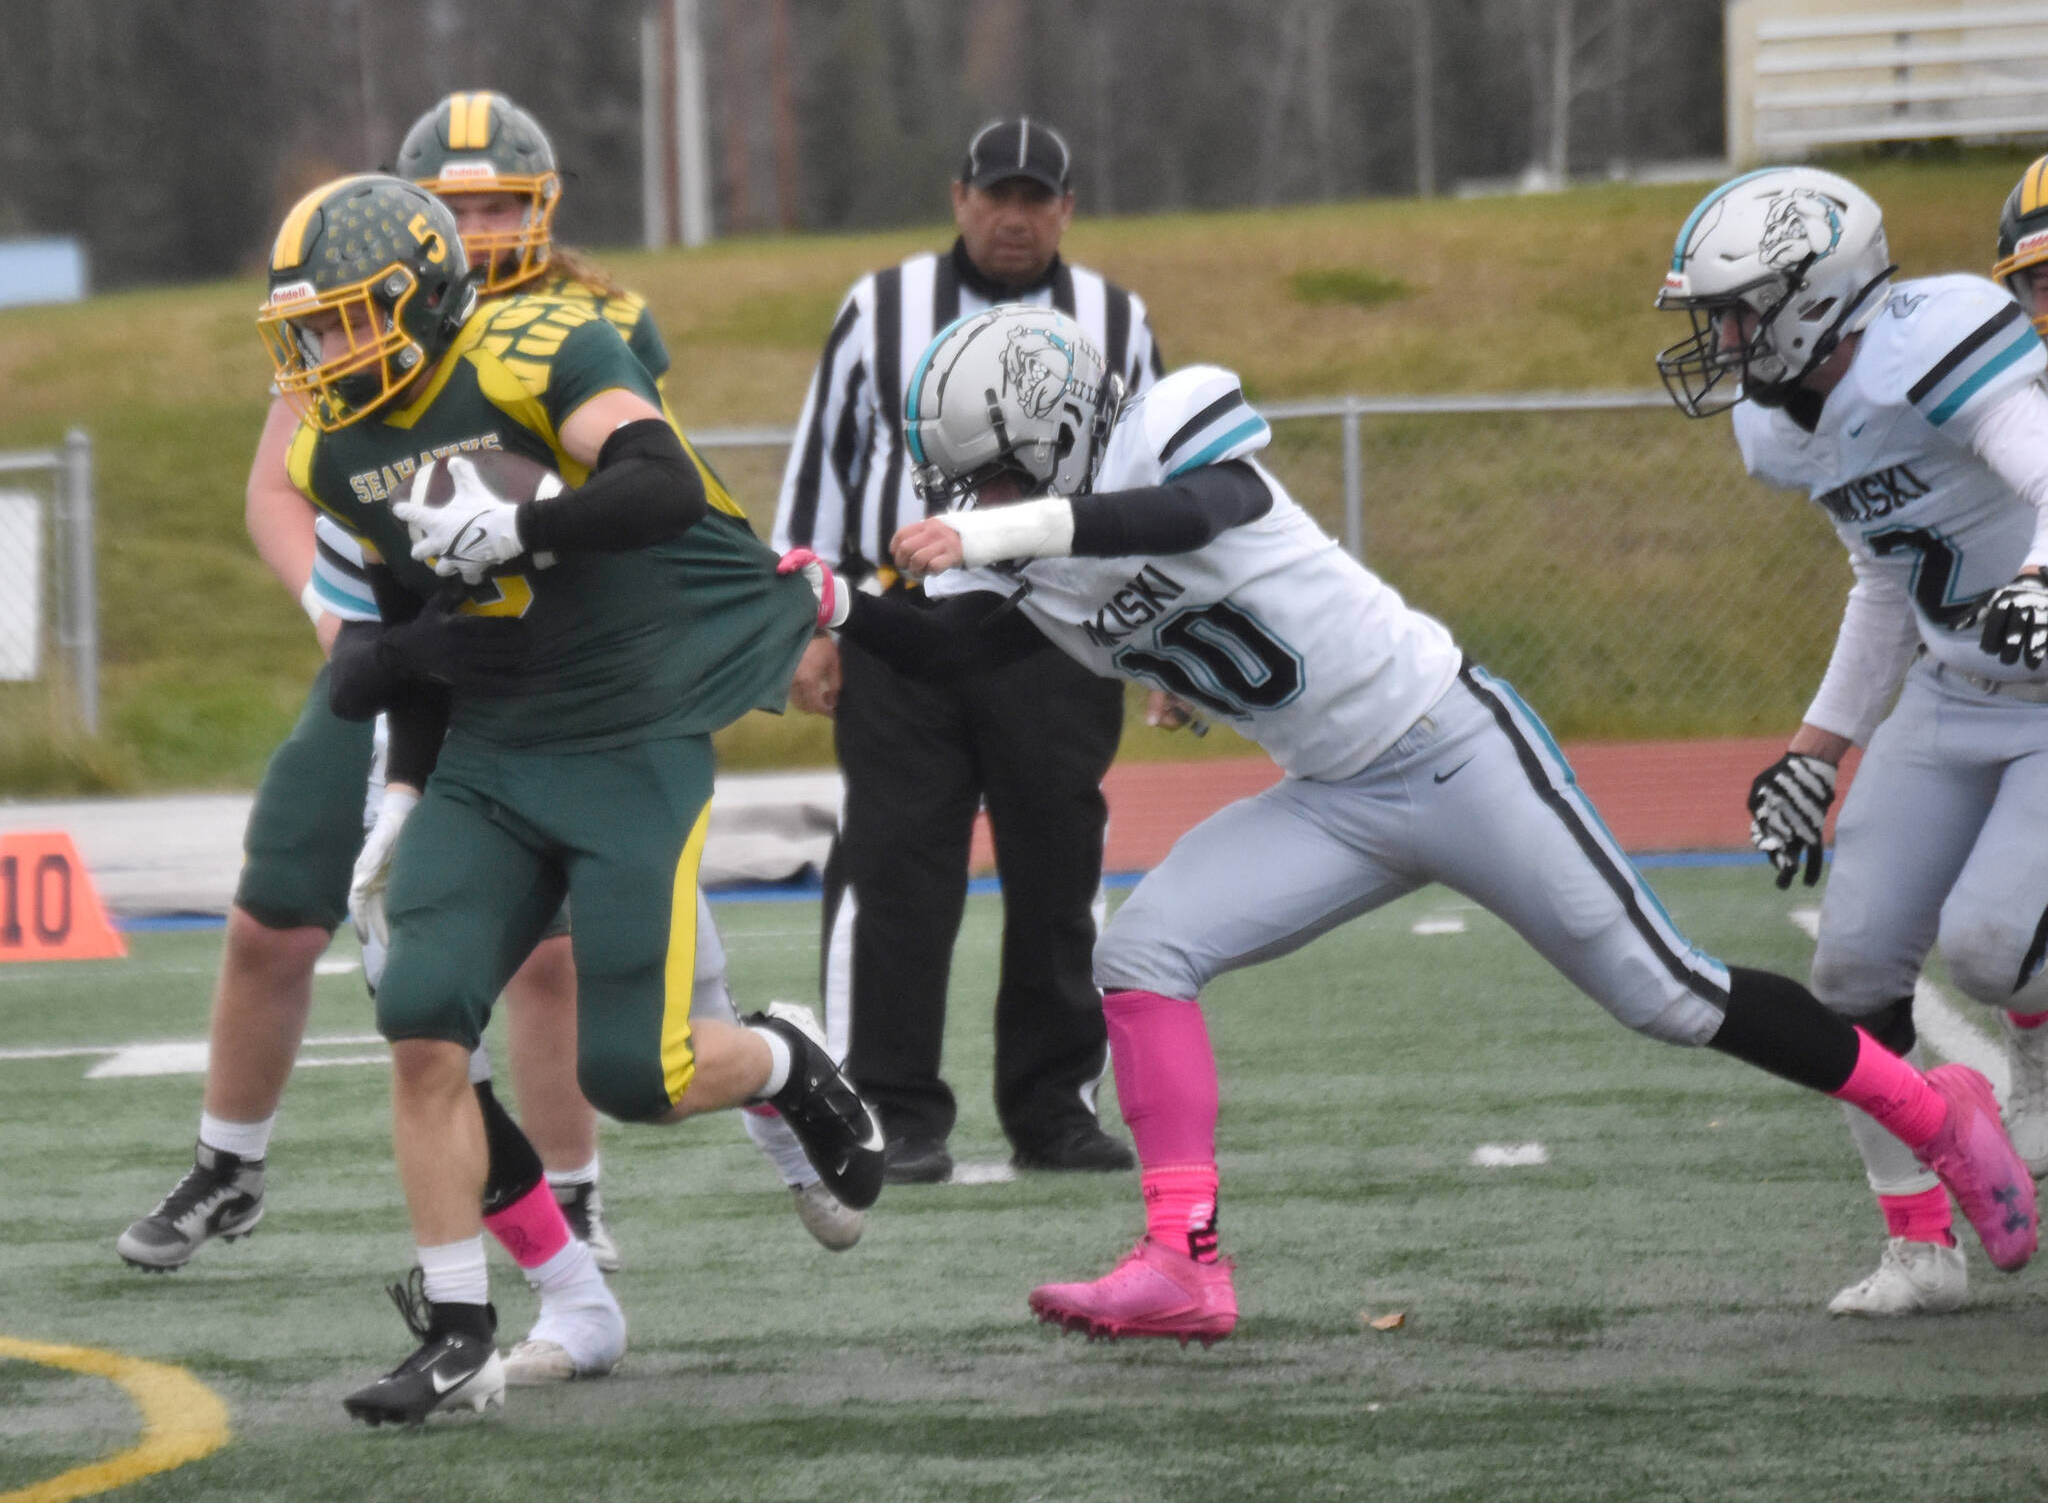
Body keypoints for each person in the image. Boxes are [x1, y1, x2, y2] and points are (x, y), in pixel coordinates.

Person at [775, 302, 2038, 1345]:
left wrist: (1008, 518)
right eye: (974, 484)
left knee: (1666, 993)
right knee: (1143, 949)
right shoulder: (1020, 534)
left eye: (995, 470)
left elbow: (1194, 511)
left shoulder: (1168, 423)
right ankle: (1182, 1260)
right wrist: (839, 601)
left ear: (1054, 431)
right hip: (1330, 793)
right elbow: (950, 647)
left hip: (1448, 743)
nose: (978, 497)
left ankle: (1935, 1113)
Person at [253, 173, 882, 1425]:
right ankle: (457, 1325)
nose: (327, 353)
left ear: (423, 300)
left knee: (634, 1074)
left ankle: (781, 1061)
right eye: (310, 330)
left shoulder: (543, 343)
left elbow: (659, 486)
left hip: (630, 731)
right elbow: (396, 640)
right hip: (493, 752)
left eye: (348, 320)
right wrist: (404, 795)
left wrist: (525, 535)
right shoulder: (335, 445)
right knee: (421, 1013)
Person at [1654, 164, 2048, 1317]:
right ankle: (1917, 1245)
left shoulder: (1927, 343)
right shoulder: (1785, 422)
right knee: (1849, 970)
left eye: (1734, 310)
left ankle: (2028, 1036)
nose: (1720, 338)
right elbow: (1883, 575)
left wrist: (2038, 578)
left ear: (1813, 294)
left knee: (1985, 947)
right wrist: (1813, 751)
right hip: (1958, 682)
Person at [772, 118, 1163, 1184]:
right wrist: (812, 624)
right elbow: (822, 463)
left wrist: (1154, 635)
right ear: (958, 197)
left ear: (1066, 210)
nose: (1013, 215)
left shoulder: (1115, 320)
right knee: (896, 863)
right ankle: (888, 1107)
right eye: (997, 193)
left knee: (1056, 862)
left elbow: (1146, 485)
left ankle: (1053, 1106)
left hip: (1057, 625)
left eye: (1036, 198)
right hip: (903, 622)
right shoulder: (878, 306)